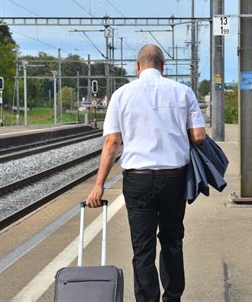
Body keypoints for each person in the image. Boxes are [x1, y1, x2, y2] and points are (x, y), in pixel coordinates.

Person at [86, 44, 206, 302]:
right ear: (163, 67)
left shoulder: (121, 95)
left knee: (143, 248)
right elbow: (198, 136)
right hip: (174, 178)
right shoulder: (183, 92)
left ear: (137, 66)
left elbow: (111, 143)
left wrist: (99, 185)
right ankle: (172, 297)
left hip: (138, 180)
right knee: (173, 240)